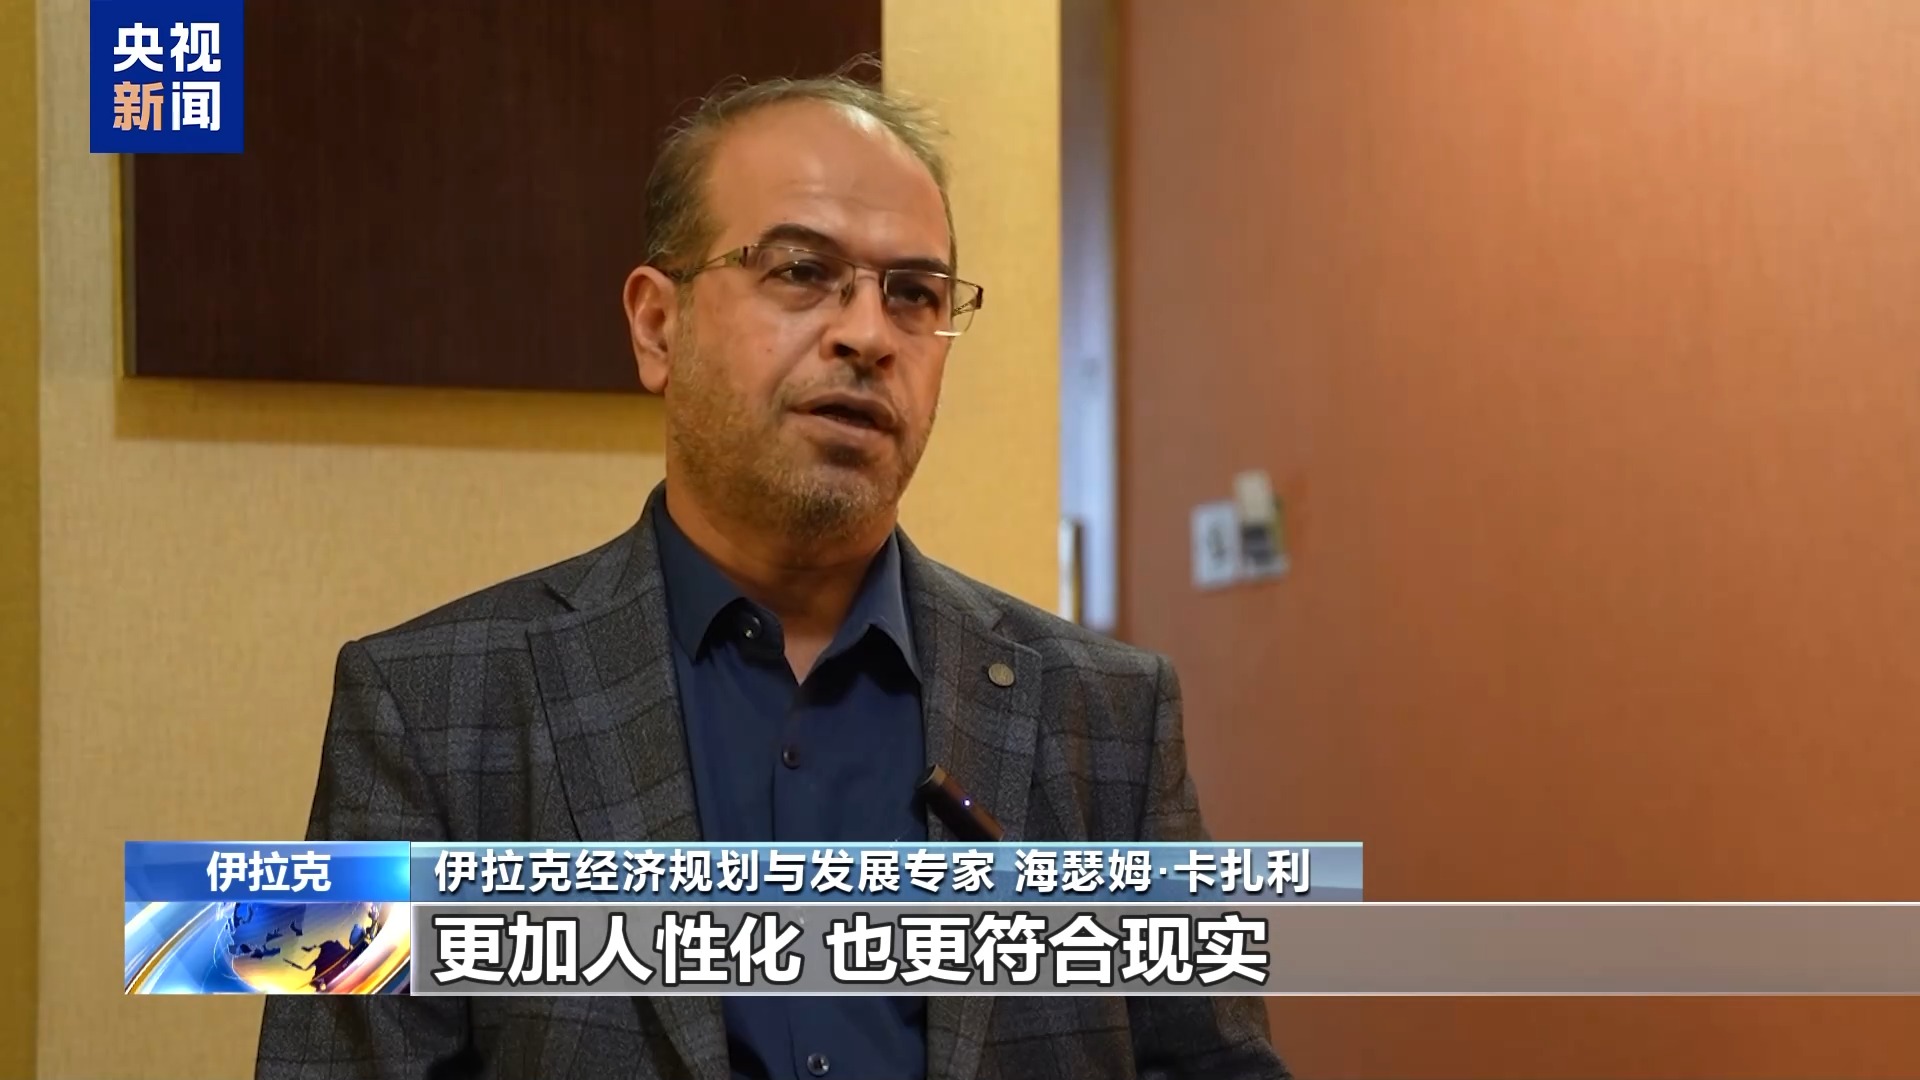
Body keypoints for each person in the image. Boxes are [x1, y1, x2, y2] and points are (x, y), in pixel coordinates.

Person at [256, 69, 1290, 1080]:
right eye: (800, 271)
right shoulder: (426, 709)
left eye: (914, 294)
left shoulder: (1107, 718)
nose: (868, 335)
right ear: (657, 326)